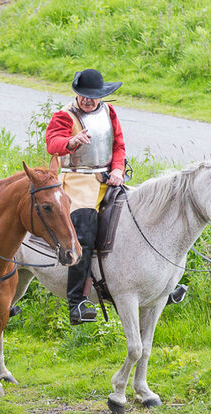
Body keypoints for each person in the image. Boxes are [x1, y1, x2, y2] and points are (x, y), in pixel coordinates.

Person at [45, 69, 128, 325]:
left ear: (101, 95)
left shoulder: (109, 112)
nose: (87, 100)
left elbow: (118, 146)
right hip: (77, 180)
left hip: (108, 178)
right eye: (82, 95)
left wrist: (118, 169)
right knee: (83, 230)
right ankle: (77, 302)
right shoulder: (65, 115)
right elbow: (52, 143)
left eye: (91, 96)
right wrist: (71, 142)